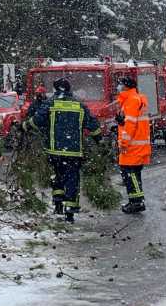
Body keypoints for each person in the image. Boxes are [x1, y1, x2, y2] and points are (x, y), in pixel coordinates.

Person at [32, 78, 101, 222]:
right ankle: (70, 211)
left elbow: (37, 120)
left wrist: (24, 126)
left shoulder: (51, 103)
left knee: (57, 175)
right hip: (74, 151)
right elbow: (92, 125)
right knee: (72, 179)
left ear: (56, 89)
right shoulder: (79, 105)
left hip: (55, 150)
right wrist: (99, 140)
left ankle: (58, 204)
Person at [114, 74, 152, 214]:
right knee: (132, 174)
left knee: (130, 175)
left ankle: (137, 202)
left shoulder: (131, 100)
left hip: (132, 146)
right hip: (137, 144)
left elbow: (130, 125)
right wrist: (121, 122)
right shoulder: (135, 99)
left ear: (126, 86)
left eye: (120, 84)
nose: (118, 87)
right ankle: (135, 201)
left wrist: (124, 142)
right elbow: (132, 122)